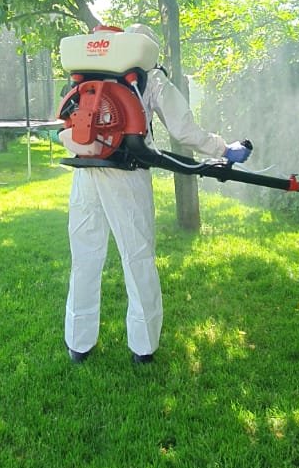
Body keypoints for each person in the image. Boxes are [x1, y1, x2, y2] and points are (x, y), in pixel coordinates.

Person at [63, 24, 252, 365]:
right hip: (128, 175)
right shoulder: (149, 76)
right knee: (138, 259)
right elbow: (184, 130)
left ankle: (78, 343)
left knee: (85, 258)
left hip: (86, 169)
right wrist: (224, 149)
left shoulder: (88, 74)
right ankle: (143, 347)